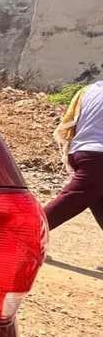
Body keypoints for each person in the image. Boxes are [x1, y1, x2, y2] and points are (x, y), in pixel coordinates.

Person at [45, 79, 103, 231]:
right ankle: (20, 232)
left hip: (81, 152)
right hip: (98, 159)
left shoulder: (89, 90)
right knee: (70, 201)